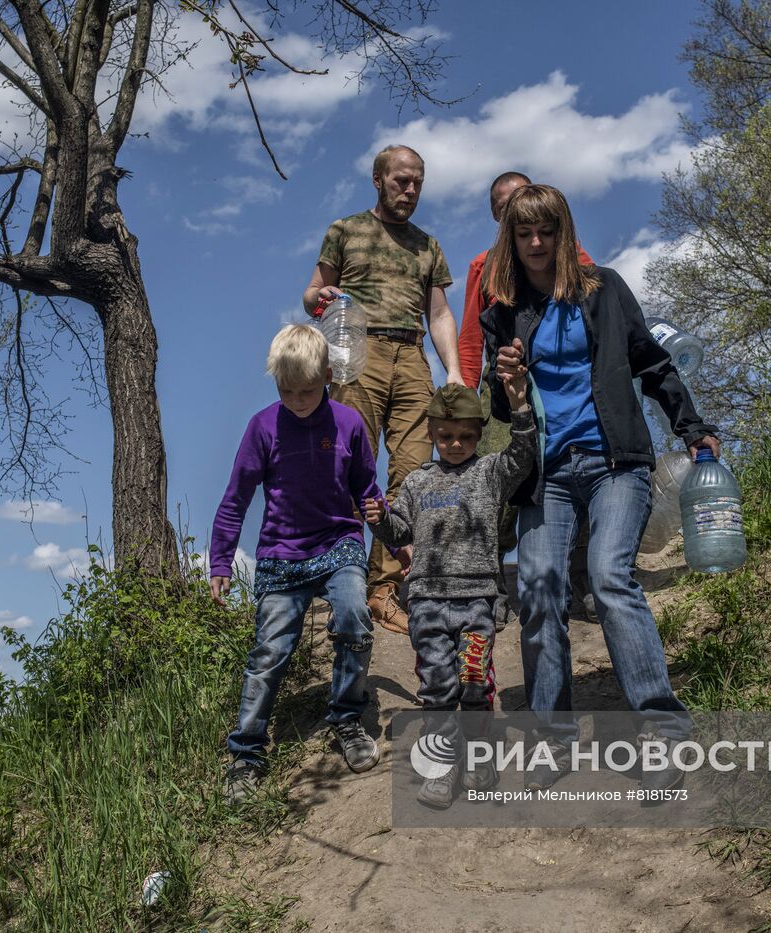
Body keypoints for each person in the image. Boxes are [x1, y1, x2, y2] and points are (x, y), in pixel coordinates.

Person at [480, 185, 721, 793]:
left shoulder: (604, 289)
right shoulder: (502, 314)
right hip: (548, 474)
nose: (536, 244)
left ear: (563, 233)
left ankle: (667, 736)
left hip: (616, 461)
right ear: (511, 240)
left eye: (547, 232)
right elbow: (507, 415)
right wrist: (506, 387)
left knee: (611, 578)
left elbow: (652, 363)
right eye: (524, 234)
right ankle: (552, 741)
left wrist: (692, 429)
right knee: (538, 588)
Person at [210, 324, 384, 804]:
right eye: (287, 391)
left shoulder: (348, 423)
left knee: (353, 616)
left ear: (328, 376)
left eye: (307, 390)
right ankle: (246, 754)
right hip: (282, 554)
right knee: (269, 652)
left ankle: (346, 718)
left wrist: (377, 509)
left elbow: (367, 488)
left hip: (338, 542)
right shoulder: (263, 427)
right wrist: (220, 562)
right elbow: (235, 499)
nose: (298, 400)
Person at [304, 144, 463, 637]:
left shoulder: (428, 244)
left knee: (414, 472)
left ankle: (385, 589)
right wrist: (320, 298)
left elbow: (437, 314)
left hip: (413, 357)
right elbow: (312, 292)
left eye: (417, 181)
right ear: (378, 179)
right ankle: (344, 583)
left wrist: (453, 371)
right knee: (354, 466)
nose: (410, 189)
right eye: (401, 180)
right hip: (357, 352)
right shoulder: (345, 230)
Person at [363, 380, 535, 808]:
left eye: (466, 436)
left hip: (478, 597)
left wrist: (520, 408)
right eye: (445, 436)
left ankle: (478, 756)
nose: (456, 444)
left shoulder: (491, 472)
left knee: (475, 681)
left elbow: (523, 456)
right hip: (426, 602)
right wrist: (378, 518)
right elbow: (398, 530)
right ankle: (442, 766)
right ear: (433, 434)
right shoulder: (418, 482)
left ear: (478, 435)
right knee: (437, 688)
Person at [456, 171, 597, 629]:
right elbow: (473, 335)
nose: (513, 208)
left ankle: (584, 581)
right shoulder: (484, 265)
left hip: (564, 386)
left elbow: (594, 319)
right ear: (499, 217)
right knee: (498, 483)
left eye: (520, 198)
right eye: (503, 205)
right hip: (504, 387)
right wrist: (466, 393)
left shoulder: (574, 256)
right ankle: (491, 589)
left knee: (577, 472)